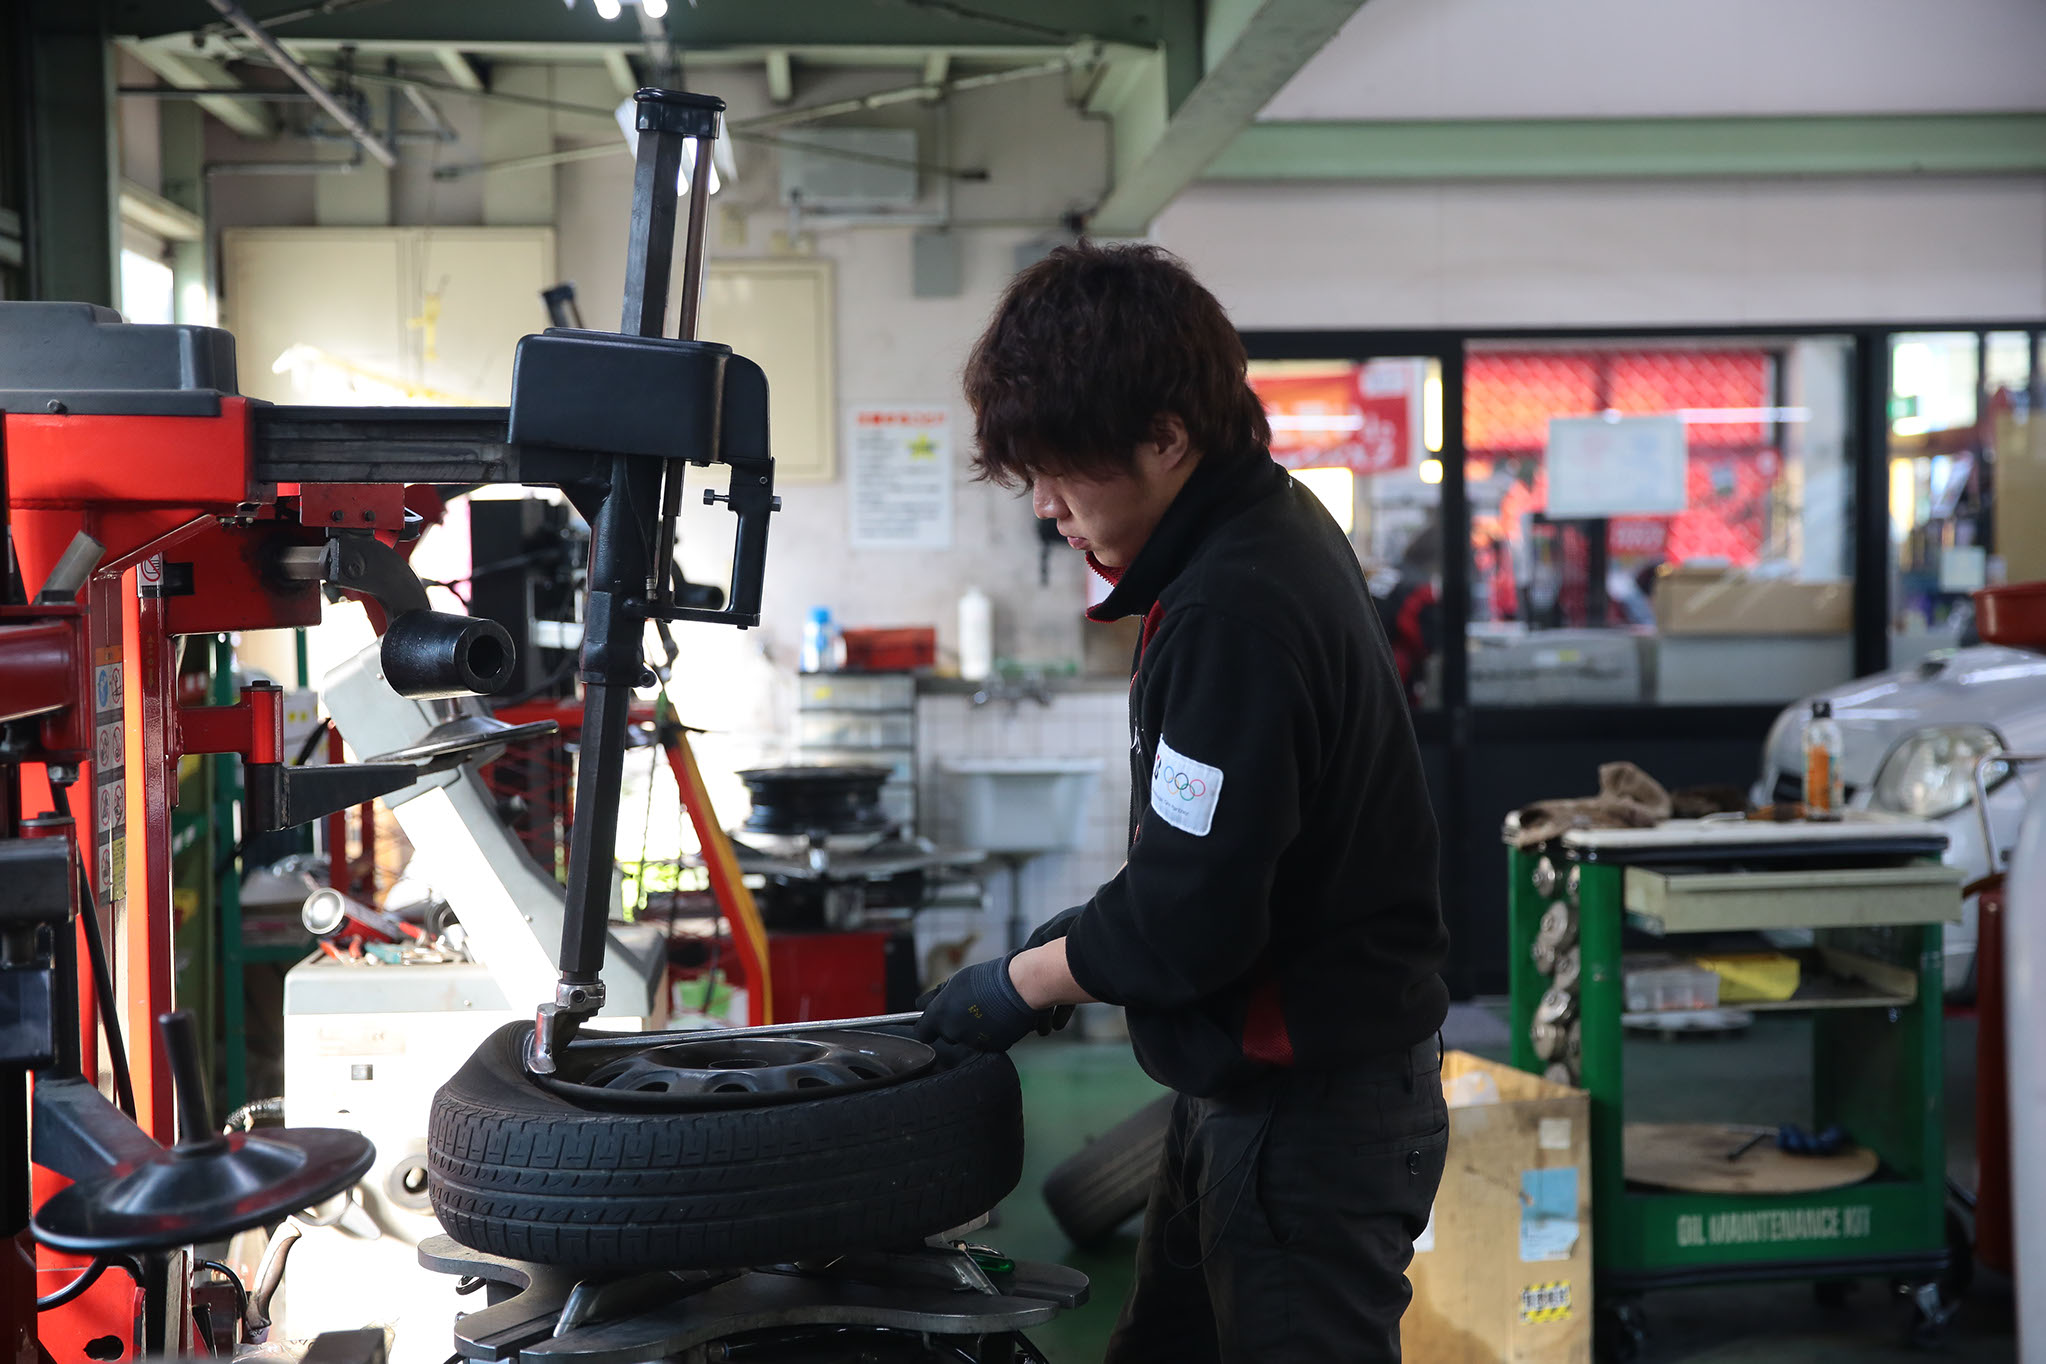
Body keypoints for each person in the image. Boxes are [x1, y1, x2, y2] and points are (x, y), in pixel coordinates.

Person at [916, 242, 1451, 1363]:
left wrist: (1022, 980)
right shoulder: (1261, 530)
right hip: (1252, 1086)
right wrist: (1079, 939)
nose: (1049, 507)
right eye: (1032, 479)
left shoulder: (1232, 606)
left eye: (1063, 471)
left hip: (1310, 1110)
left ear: (1166, 435)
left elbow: (1192, 919)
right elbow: (1218, 852)